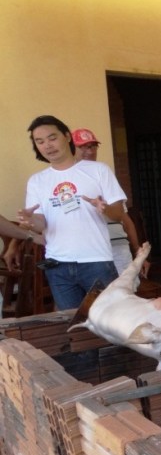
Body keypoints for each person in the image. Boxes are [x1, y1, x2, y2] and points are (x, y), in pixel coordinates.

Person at [19, 115, 128, 310]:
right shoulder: (37, 181)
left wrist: (105, 209)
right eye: (40, 141)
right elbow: (41, 224)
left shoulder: (98, 170)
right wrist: (29, 221)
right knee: (73, 326)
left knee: (110, 321)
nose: (47, 146)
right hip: (58, 265)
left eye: (52, 138)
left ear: (67, 137)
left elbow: (118, 215)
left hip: (96, 261)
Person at [71, 127, 149, 280]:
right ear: (71, 149)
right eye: (83, 146)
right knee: (96, 299)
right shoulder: (66, 180)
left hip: (118, 249)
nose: (90, 151)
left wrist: (138, 253)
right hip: (89, 252)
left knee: (125, 294)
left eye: (93, 146)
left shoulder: (103, 174)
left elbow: (125, 220)